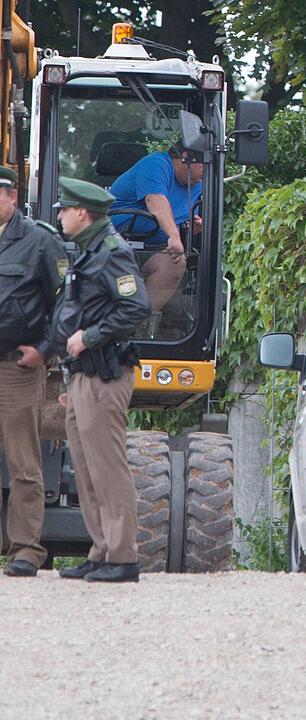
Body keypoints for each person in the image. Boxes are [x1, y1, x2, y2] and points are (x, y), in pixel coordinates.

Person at [51, 177, 150, 583]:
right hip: (82, 375)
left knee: (107, 465)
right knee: (86, 466)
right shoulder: (89, 251)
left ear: (83, 212)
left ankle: (123, 556)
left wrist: (89, 336)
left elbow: (136, 307)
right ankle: (102, 550)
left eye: (63, 209)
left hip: (104, 373)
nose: (58, 216)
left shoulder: (111, 252)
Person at [0, 166, 68, 577]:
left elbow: (65, 299)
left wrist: (45, 349)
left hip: (15, 367)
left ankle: (25, 550)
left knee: (23, 462)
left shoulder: (40, 241)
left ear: (12, 197)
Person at [108, 142, 203, 314]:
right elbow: (155, 200)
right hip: (113, 248)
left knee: (176, 263)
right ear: (186, 157)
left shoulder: (198, 184)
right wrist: (174, 236)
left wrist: (190, 226)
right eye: (204, 163)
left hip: (154, 250)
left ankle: (138, 326)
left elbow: (183, 218)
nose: (207, 170)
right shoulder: (156, 164)